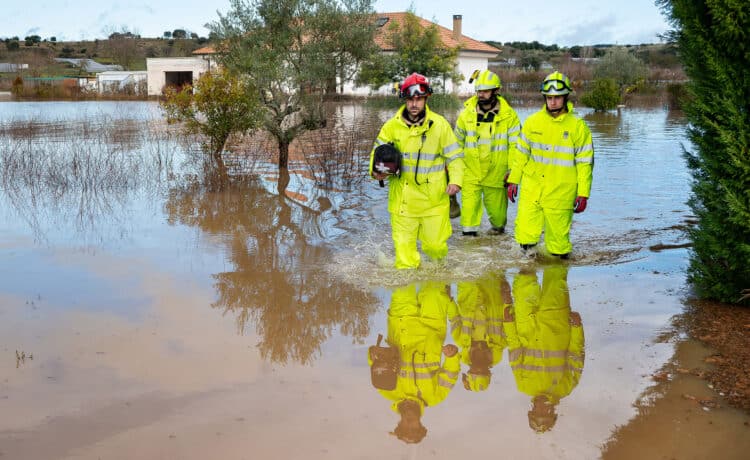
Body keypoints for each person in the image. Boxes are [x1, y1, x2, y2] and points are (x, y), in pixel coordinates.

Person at [370, 72, 465, 269]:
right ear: (404, 100)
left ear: (426, 98)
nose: (414, 104)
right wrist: (376, 172)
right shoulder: (391, 127)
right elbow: (375, 155)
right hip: (403, 203)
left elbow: (455, 157)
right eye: (410, 99)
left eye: (419, 99)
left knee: (436, 250)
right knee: (405, 262)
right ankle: (405, 296)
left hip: (434, 202)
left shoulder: (439, 125)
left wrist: (455, 181)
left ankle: (438, 290)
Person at [506, 71, 594, 258]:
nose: (553, 102)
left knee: (558, 247)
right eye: (549, 97)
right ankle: (525, 281)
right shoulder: (532, 122)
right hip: (532, 190)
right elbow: (520, 154)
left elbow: (585, 162)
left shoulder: (578, 126)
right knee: (524, 241)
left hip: (561, 192)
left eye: (557, 97)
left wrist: (583, 193)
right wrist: (513, 180)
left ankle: (557, 279)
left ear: (565, 97)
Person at [367, 281, 461, 443]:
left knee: (403, 273)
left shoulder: (387, 391)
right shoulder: (435, 397)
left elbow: (374, 361)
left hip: (401, 320)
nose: (410, 423)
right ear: (421, 424)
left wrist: (375, 353)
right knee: (435, 276)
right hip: (432, 324)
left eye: (405, 427)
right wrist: (452, 356)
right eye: (414, 428)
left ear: (399, 423)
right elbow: (450, 373)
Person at [502, 264, 584, 433]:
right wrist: (577, 327)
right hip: (556, 322)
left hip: (526, 324)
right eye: (545, 414)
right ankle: (555, 246)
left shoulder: (523, 386)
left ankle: (529, 244)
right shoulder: (565, 388)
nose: (541, 410)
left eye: (537, 413)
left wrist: (509, 324)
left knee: (525, 274)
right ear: (553, 412)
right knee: (556, 271)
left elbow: (515, 352)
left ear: (531, 410)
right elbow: (576, 354)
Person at [454, 69, 521, 236]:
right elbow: (455, 145)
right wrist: (453, 171)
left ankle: (495, 251)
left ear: (495, 91)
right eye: (479, 91)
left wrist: (513, 173)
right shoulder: (466, 115)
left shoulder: (509, 116)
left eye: (485, 91)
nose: (481, 94)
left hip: (497, 175)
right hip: (471, 174)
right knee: (468, 226)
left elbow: (516, 147)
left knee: (499, 224)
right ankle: (471, 256)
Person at [451, 272, 512, 392]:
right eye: (482, 372)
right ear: (488, 372)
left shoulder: (460, 340)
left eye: (475, 371)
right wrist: (508, 299)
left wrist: (449, 300)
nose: (478, 368)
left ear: (469, 371)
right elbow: (509, 318)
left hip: (467, 289)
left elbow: (454, 318)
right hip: (493, 287)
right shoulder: (503, 342)